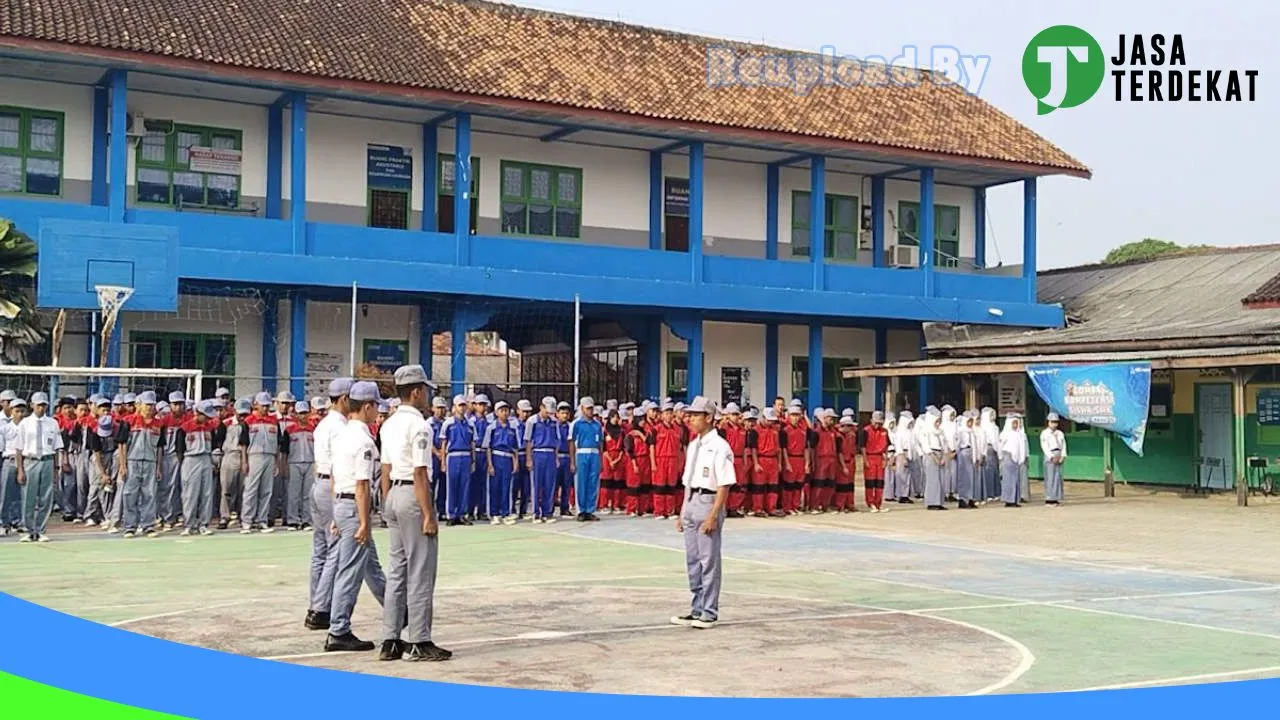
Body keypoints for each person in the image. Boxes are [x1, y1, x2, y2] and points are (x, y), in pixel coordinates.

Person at [377, 365, 451, 662]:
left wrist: (386, 502)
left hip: (394, 492)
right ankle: (419, 639)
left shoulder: (389, 423)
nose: (427, 396)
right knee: (421, 570)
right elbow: (420, 471)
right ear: (417, 392)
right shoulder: (419, 425)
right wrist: (428, 513)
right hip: (412, 493)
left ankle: (390, 639)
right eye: (426, 391)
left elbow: (385, 468)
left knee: (397, 571)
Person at [325, 380, 385, 652]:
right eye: (376, 407)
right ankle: (339, 629)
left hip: (343, 503)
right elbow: (362, 484)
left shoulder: (342, 435)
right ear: (368, 407)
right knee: (350, 570)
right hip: (354, 506)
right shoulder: (362, 439)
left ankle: (398, 609)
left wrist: (337, 515)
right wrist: (363, 521)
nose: (377, 413)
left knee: (371, 566)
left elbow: (335, 478)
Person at [671, 396, 735, 630]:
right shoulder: (694, 444)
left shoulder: (720, 446)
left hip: (709, 501)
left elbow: (724, 484)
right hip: (691, 500)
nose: (691, 419)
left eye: (696, 415)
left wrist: (713, 515)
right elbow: (688, 479)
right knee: (693, 560)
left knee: (708, 560)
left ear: (709, 417)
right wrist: (682, 510)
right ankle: (696, 607)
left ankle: (709, 611)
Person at [306, 378, 352, 633]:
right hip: (332, 486)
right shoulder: (342, 427)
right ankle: (321, 609)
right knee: (335, 548)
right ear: (344, 399)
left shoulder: (324, 424)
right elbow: (340, 464)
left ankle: (315, 602)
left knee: (320, 550)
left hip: (318, 483)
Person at [15, 392, 66, 543]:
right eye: (39, 405)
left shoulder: (52, 423)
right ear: (32, 405)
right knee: (28, 497)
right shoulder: (25, 423)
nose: (42, 408)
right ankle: (29, 529)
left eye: (44, 405)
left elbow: (57, 447)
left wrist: (56, 468)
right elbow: (19, 448)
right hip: (30, 460)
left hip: (47, 460)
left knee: (46, 497)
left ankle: (41, 529)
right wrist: (20, 469)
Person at [176, 400, 220, 536]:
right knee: (190, 494)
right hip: (190, 459)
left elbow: (214, 446)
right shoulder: (184, 428)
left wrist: (213, 462)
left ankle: (203, 524)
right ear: (198, 413)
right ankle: (189, 524)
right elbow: (179, 450)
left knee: (206, 493)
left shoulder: (209, 428)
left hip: (206, 459)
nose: (207, 419)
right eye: (205, 416)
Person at [482, 400, 521, 525]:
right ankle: (494, 513)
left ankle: (505, 513)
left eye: (506, 410)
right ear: (496, 412)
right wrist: (490, 464)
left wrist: (515, 462)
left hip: (508, 458)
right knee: (494, 487)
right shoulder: (492, 427)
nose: (505, 413)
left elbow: (515, 448)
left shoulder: (513, 428)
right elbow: (488, 447)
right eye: (502, 410)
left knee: (507, 487)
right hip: (496, 457)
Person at [439, 395, 475, 526]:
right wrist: (443, 461)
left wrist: (473, 460)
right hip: (453, 456)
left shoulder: (470, 423)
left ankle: (462, 513)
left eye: (464, 405)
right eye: (460, 405)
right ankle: (451, 514)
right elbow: (444, 443)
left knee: (464, 486)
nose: (462, 408)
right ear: (454, 407)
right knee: (452, 485)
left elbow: (472, 444)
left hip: (466, 456)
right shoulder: (448, 423)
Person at [282, 400, 317, 531]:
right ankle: (293, 520)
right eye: (300, 413)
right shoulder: (289, 429)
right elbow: (284, 450)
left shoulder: (313, 429)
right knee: (293, 493)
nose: (303, 416)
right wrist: (284, 465)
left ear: (308, 413)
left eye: (305, 413)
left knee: (308, 494)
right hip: (294, 463)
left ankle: (306, 520)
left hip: (310, 462)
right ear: (296, 414)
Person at [525, 397, 560, 524]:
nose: (549, 414)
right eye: (547, 410)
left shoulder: (554, 421)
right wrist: (529, 459)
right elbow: (528, 441)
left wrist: (556, 458)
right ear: (541, 407)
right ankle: (536, 512)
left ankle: (547, 512)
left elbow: (557, 441)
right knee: (536, 484)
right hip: (537, 453)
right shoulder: (532, 421)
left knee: (549, 484)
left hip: (550, 454)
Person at [568, 396, 603, 522]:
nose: (590, 411)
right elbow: (571, 442)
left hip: (594, 455)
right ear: (582, 409)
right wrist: (572, 461)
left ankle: (590, 510)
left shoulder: (597, 424)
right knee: (581, 483)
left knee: (593, 483)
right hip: (581, 454)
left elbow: (600, 443)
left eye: (591, 408)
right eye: (588, 409)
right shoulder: (576, 424)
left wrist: (601, 460)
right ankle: (581, 510)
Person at [218, 399, 250, 530]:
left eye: (245, 414)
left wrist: (245, 460)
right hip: (229, 456)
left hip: (246, 456)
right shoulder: (226, 424)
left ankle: (243, 516)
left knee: (244, 489)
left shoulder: (249, 424)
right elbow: (219, 441)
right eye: (240, 414)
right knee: (226, 488)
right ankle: (224, 516)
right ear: (235, 411)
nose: (243, 417)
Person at [0, 398, 25, 535]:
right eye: (17, 411)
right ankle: (3, 522)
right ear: (11, 411)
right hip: (9, 461)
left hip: (25, 461)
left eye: (22, 411)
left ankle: (18, 521)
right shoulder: (4, 428)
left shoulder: (28, 427)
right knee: (6, 493)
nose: (20, 414)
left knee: (21, 494)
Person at [999, 414, 1028, 508]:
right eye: (1013, 423)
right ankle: (1008, 500)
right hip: (1008, 458)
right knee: (1008, 480)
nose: (1015, 425)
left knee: (1016, 480)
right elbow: (1000, 446)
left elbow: (1022, 447)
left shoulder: (1020, 434)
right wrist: (1001, 457)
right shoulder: (1005, 433)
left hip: (1017, 460)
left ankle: (1015, 499)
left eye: (1017, 423)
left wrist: (1022, 458)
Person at [1040, 413, 1067, 506]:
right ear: (1048, 422)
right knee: (1050, 477)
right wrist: (1051, 456)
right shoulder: (1045, 433)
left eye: (1056, 422)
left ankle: (1056, 497)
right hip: (1050, 455)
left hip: (1058, 454)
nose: (1054, 424)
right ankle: (1049, 498)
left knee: (1057, 477)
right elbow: (1044, 446)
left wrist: (1063, 456)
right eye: (1052, 422)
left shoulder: (1060, 433)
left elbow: (1063, 445)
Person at [923, 408, 947, 511]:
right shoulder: (926, 430)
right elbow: (925, 445)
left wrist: (944, 457)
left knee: (940, 479)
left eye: (939, 421)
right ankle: (932, 502)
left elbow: (944, 444)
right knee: (932, 479)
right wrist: (934, 457)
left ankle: (939, 501)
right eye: (936, 421)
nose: (938, 424)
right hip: (931, 454)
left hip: (940, 454)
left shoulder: (940, 432)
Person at [955, 411, 978, 509]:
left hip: (971, 453)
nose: (970, 424)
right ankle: (963, 499)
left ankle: (970, 498)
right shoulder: (961, 431)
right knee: (964, 477)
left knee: (972, 477)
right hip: (963, 453)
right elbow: (957, 444)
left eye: (971, 421)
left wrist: (976, 456)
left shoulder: (972, 431)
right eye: (968, 422)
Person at [979, 407, 1001, 503]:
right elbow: (995, 441)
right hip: (990, 449)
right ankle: (990, 493)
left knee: (994, 472)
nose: (993, 417)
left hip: (991, 450)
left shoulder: (992, 426)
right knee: (990, 472)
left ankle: (995, 493)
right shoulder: (990, 427)